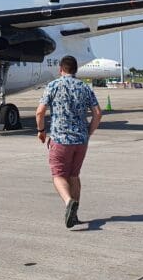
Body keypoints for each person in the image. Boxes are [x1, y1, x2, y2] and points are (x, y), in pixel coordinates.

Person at [35, 55, 102, 228]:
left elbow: (40, 112)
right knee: (74, 175)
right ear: (76, 69)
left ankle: (68, 202)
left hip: (60, 139)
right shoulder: (84, 87)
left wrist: (41, 131)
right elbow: (97, 113)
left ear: (60, 69)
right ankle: (75, 215)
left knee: (58, 175)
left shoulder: (53, 85)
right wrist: (88, 132)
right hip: (81, 140)